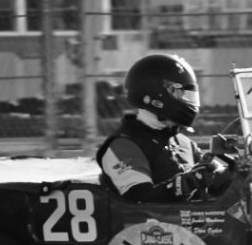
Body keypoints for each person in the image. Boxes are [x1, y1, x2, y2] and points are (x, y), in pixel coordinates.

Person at [96, 53, 231, 202]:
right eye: (179, 93)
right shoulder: (123, 145)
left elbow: (215, 182)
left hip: (198, 222)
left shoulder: (183, 143)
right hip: (149, 224)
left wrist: (232, 173)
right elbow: (139, 199)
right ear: (155, 94)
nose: (186, 100)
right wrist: (187, 184)